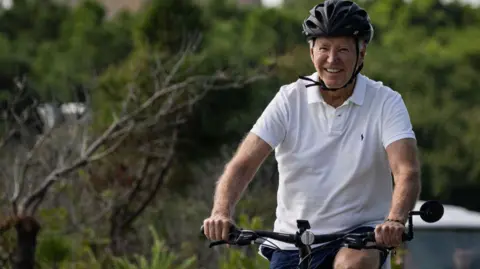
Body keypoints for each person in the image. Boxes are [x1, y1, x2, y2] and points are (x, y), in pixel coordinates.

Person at [202, 0, 421, 268]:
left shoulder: (386, 102)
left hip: (360, 237)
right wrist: (221, 213)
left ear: (361, 53)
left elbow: (406, 171)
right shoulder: (288, 99)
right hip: (293, 242)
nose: (332, 59)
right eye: (324, 48)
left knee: (351, 265)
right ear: (311, 51)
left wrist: (395, 220)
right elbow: (243, 164)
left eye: (342, 49)